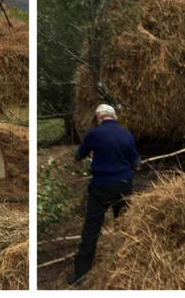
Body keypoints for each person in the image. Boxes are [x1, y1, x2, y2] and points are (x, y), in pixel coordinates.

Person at [67, 104, 141, 286]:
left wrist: (93, 154)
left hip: (101, 187)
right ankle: (126, 266)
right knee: (123, 224)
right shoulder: (127, 135)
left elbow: (78, 156)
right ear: (113, 117)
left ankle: (81, 273)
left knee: (91, 229)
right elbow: (137, 165)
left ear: (100, 117)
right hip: (124, 186)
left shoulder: (94, 134)